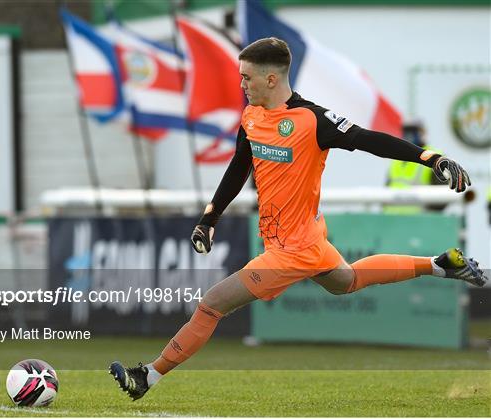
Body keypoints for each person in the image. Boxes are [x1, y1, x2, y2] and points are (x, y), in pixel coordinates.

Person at [109, 37, 488, 401]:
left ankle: (148, 375)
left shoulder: (312, 120)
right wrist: (210, 218)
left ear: (271, 79)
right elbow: (241, 163)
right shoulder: (253, 115)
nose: (242, 84)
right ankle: (440, 265)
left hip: (293, 249)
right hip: (304, 239)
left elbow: (370, 139)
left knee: (211, 304)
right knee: (347, 280)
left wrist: (431, 158)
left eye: (247, 77)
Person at [385, 120, 445, 213]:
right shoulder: (396, 157)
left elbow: (442, 195)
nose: (408, 135)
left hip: (419, 221)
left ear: (422, 133)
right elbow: (387, 189)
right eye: (406, 131)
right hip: (393, 220)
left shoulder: (434, 157)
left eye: (413, 131)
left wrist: (428, 216)